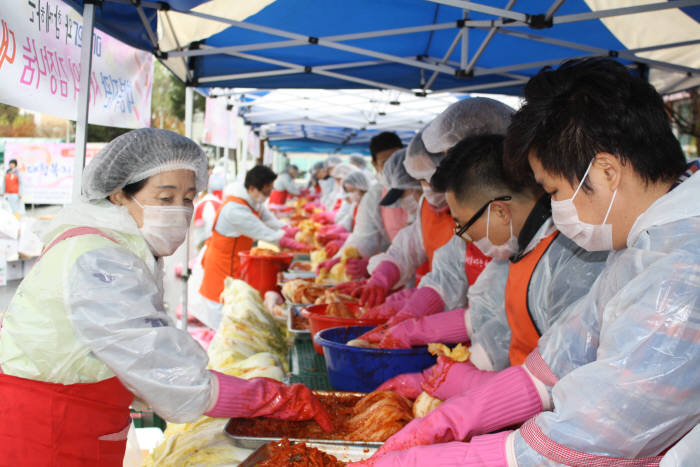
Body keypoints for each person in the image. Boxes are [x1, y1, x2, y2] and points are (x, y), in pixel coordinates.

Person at [351, 58, 699, 466]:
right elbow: (560, 358)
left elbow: (592, 434)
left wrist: (431, 459)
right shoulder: (640, 246)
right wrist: (454, 418)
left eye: (553, 189)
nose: (553, 207)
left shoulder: (681, 274)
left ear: (605, 171)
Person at [0, 129, 331, 465]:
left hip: (78, 418)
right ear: (118, 194)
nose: (180, 210)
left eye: (188, 198)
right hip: (48, 428)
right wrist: (268, 398)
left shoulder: (115, 244)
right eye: (165, 198)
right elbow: (166, 368)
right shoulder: (101, 259)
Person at [365, 134, 606, 402]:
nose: (464, 236)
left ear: (500, 212)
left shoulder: (571, 260)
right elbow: (491, 319)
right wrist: (455, 369)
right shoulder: (518, 248)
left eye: (465, 225)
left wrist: (476, 390)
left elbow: (567, 378)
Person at [353, 98, 514, 308]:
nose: (428, 187)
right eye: (421, 181)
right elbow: (439, 268)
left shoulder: (514, 224)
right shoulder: (434, 210)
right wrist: (384, 280)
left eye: (432, 178)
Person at [198, 165, 312, 329]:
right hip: (222, 267)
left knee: (234, 313)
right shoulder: (235, 209)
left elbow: (270, 221)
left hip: (235, 264)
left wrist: (293, 231)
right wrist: (297, 244)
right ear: (252, 188)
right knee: (223, 324)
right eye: (266, 191)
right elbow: (266, 234)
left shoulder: (252, 200)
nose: (268, 195)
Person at [320, 148, 422, 279]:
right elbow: (402, 248)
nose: (401, 203)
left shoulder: (436, 211)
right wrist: (341, 256)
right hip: (404, 275)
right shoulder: (375, 196)